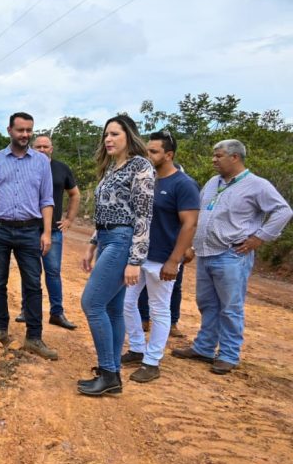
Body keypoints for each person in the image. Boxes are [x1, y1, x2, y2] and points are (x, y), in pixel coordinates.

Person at [172, 139, 292, 375]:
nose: (214, 160)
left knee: (230, 307)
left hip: (232, 254)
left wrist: (260, 237)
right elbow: (201, 215)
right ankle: (204, 348)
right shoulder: (213, 182)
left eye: (218, 156)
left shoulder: (257, 185)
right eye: (214, 156)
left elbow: (283, 211)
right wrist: (192, 246)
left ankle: (228, 354)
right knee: (207, 304)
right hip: (206, 253)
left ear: (235, 157)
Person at [78, 115, 154, 396]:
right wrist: (92, 243)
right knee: (111, 308)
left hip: (123, 241)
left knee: (92, 303)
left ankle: (108, 371)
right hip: (107, 237)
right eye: (105, 135)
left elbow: (144, 216)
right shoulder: (112, 168)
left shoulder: (141, 167)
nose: (108, 139)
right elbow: (106, 212)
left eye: (114, 134)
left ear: (129, 136)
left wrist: (136, 260)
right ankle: (112, 375)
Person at [0, 112, 57, 360]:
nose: (25, 135)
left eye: (29, 130)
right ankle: (0, 328)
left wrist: (47, 232)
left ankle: (34, 337)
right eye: (20, 130)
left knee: (33, 283)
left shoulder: (41, 162)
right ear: (9, 130)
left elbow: (47, 200)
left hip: (30, 230)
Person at [121, 130, 200, 383]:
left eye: (153, 151)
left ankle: (152, 361)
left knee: (159, 310)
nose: (148, 155)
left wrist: (174, 260)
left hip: (162, 258)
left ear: (169, 155)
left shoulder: (183, 184)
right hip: (139, 256)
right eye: (146, 150)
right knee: (126, 303)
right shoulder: (146, 180)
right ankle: (136, 348)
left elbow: (189, 225)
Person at [15, 134, 81, 330]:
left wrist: (69, 219)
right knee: (29, 273)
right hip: (28, 230)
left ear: (52, 149)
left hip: (53, 231)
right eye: (38, 147)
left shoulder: (62, 169)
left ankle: (57, 313)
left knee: (53, 273)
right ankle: (27, 310)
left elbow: (75, 194)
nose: (42, 150)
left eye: (46, 146)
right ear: (32, 149)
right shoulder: (26, 167)